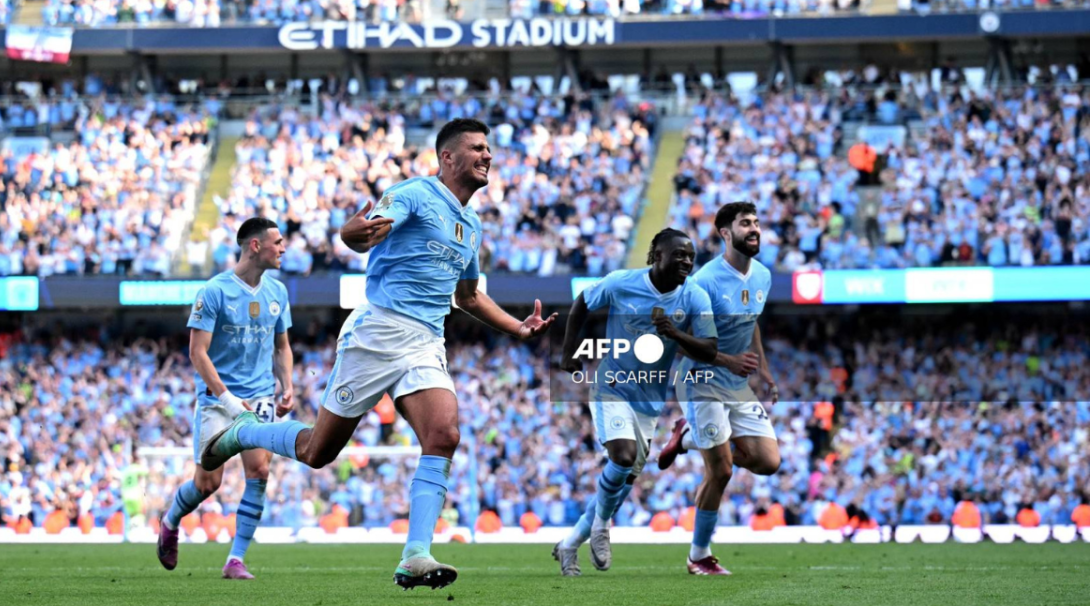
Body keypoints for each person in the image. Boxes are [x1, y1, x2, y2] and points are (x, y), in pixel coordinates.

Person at [199, 118, 556, 590]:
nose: (488, 155)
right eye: (477, 148)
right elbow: (364, 235)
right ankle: (243, 432)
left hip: (427, 341)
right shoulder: (412, 194)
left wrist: (516, 326)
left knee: (444, 434)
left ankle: (416, 555)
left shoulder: (472, 226)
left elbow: (467, 296)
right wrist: (352, 235)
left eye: (489, 149)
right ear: (447, 158)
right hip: (379, 331)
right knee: (316, 451)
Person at [553, 228, 720, 577]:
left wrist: (674, 332)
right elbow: (583, 300)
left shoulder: (694, 298)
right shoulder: (621, 283)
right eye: (679, 255)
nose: (687, 261)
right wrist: (569, 352)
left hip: (649, 402)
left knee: (621, 486)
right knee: (623, 456)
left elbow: (709, 349)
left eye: (690, 256)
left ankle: (569, 545)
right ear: (656, 256)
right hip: (612, 385)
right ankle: (601, 526)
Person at [156, 217, 294, 580]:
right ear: (254, 246)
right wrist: (228, 398)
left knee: (260, 470)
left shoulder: (277, 292)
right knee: (208, 484)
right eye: (277, 242)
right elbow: (196, 353)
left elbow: (282, 347)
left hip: (261, 395)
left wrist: (288, 384)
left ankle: (236, 559)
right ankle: (170, 521)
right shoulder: (214, 291)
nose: (283, 248)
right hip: (219, 400)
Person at [656, 201, 781, 576]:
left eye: (757, 222)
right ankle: (699, 556)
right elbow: (676, 338)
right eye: (746, 224)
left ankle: (688, 436)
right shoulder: (704, 281)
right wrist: (728, 361)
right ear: (725, 233)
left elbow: (751, 322)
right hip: (700, 381)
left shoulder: (762, 276)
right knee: (721, 470)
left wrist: (766, 371)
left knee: (768, 461)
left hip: (737, 383)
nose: (754, 228)